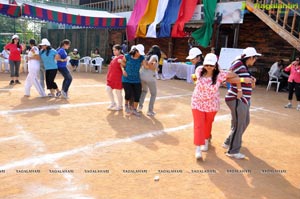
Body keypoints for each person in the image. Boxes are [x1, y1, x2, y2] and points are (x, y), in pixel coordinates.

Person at [191, 53, 252, 160]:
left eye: (211, 65)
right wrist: (195, 81)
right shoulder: (199, 69)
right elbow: (195, 77)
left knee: (208, 123)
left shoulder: (221, 74)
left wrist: (240, 86)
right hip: (197, 103)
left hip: (211, 105)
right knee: (198, 125)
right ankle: (197, 149)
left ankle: (206, 139)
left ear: (215, 65)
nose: (208, 67)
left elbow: (235, 76)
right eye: (206, 65)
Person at [222, 47, 261, 159]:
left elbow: (239, 78)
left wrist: (250, 80)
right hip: (237, 99)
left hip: (243, 99)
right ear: (250, 58)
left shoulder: (243, 66)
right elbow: (227, 77)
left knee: (244, 122)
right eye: (255, 58)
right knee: (239, 124)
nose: (255, 61)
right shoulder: (238, 64)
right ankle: (233, 150)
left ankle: (229, 142)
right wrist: (243, 81)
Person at [120, 44, 154, 116]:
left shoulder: (141, 58)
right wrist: (123, 70)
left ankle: (135, 109)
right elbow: (122, 64)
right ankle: (126, 105)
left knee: (137, 94)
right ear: (135, 51)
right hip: (126, 79)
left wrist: (151, 64)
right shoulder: (127, 56)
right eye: (139, 52)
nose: (140, 54)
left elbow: (146, 66)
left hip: (136, 79)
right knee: (128, 93)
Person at [138, 45, 161, 116]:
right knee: (153, 94)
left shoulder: (146, 56)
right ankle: (150, 111)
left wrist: (155, 67)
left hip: (142, 75)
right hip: (150, 77)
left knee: (144, 91)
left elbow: (145, 63)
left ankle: (140, 106)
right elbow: (150, 63)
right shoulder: (155, 56)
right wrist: (153, 66)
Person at [106, 44, 124, 111]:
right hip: (111, 78)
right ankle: (113, 103)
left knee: (118, 92)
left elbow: (125, 66)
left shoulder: (122, 57)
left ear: (119, 50)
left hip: (118, 78)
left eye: (115, 50)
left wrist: (122, 62)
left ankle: (120, 105)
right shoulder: (114, 57)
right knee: (108, 89)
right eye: (113, 50)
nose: (114, 51)